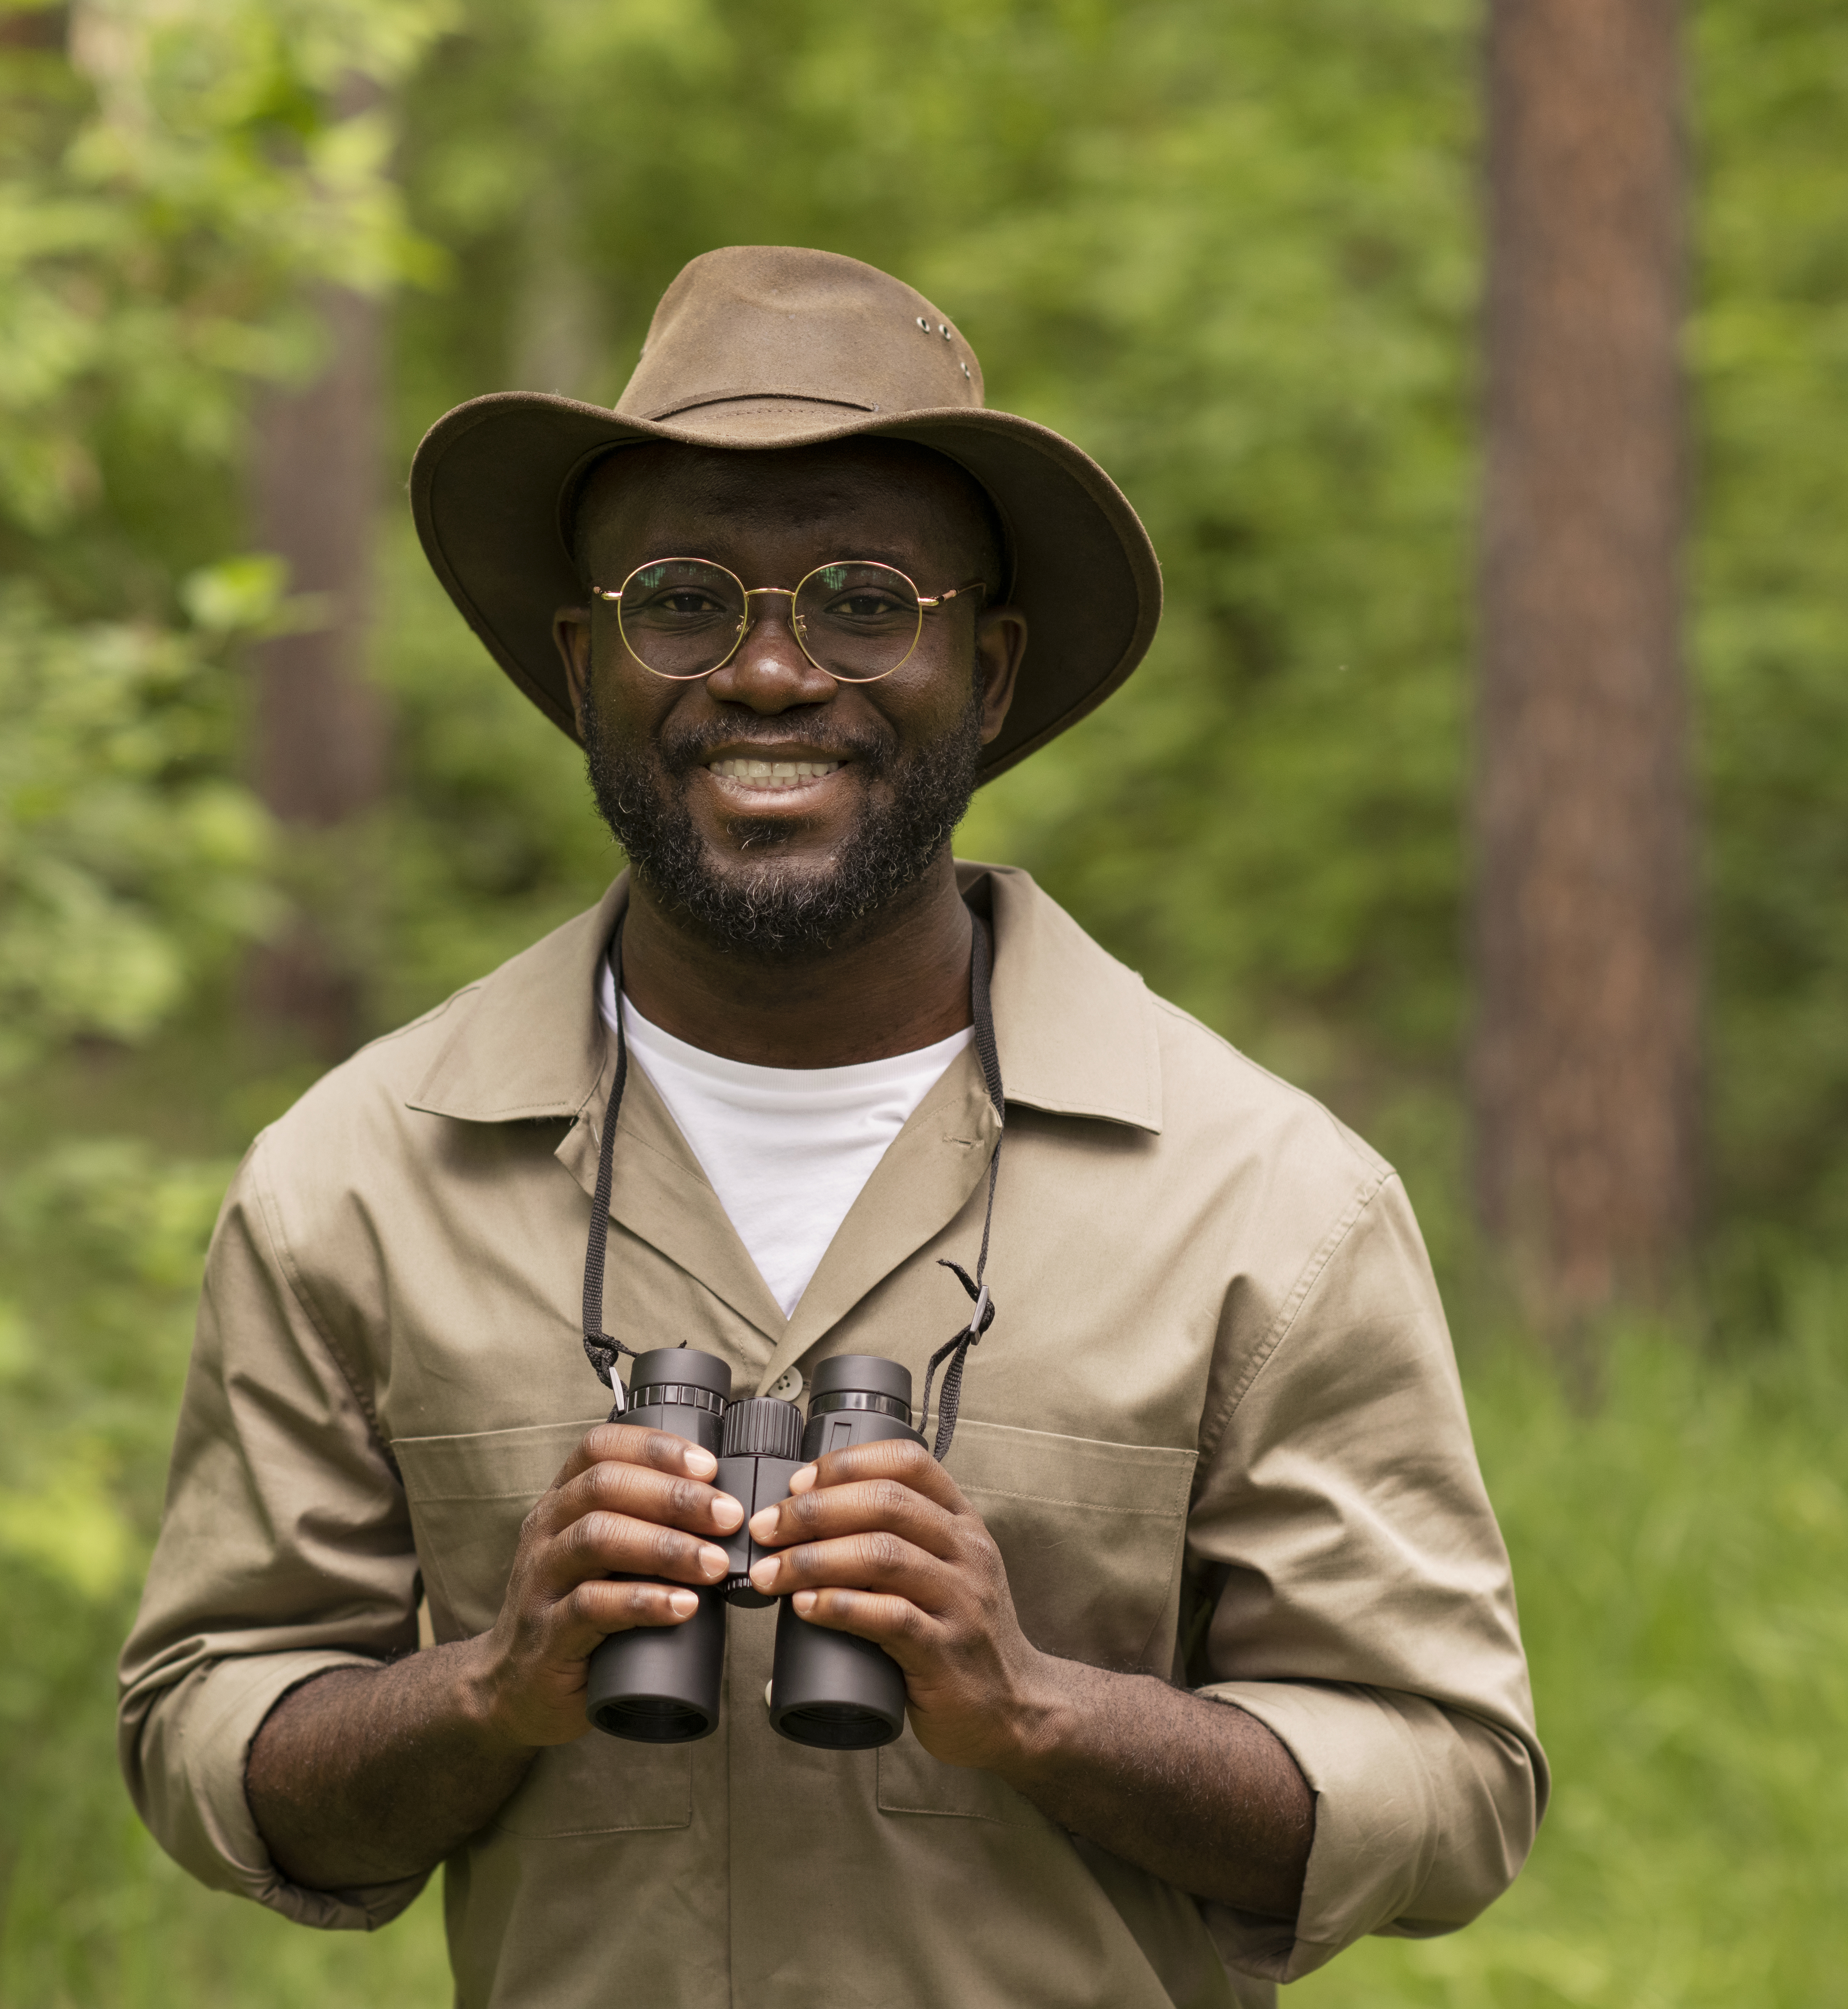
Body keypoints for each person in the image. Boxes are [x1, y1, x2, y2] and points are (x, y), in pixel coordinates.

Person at [117, 245, 1544, 2008]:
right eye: (681, 601)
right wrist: (489, 1687)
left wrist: (1035, 1706)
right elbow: (206, 1725)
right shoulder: (358, 1180)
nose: (774, 671)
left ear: (991, 674)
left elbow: (1454, 1785)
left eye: (868, 602)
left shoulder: (1264, 1200)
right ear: (581, 663)